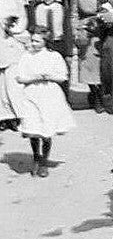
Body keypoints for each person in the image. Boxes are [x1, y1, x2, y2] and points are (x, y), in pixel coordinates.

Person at [14, 29, 75, 177]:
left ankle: (44, 162)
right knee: (33, 128)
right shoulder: (26, 57)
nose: (33, 44)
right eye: (32, 40)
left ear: (46, 42)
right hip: (31, 94)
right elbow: (20, 78)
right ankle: (36, 157)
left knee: (46, 130)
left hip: (49, 94)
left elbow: (62, 77)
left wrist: (49, 76)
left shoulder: (54, 57)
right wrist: (34, 77)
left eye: (37, 41)